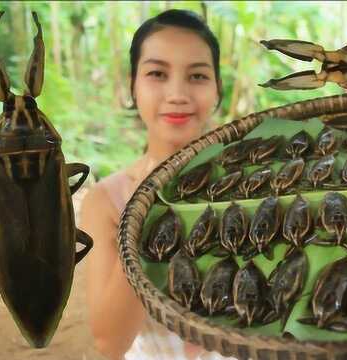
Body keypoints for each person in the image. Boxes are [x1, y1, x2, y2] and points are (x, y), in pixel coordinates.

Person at [80, 9, 228, 360]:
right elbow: (109, 343)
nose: (177, 94)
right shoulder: (107, 202)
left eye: (197, 76)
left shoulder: (254, 186)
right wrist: (149, 216)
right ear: (133, 85)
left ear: (217, 88)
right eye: (157, 73)